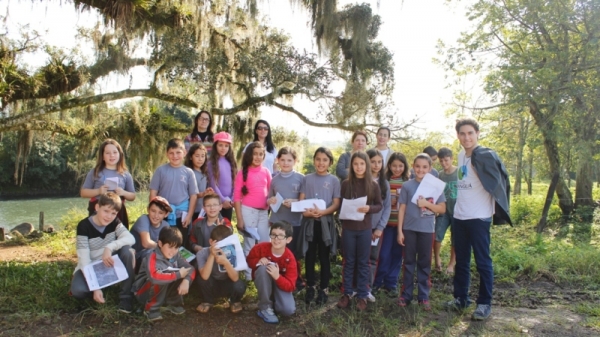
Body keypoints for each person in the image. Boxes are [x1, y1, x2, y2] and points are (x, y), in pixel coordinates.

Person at [445, 118, 512, 321]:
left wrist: (499, 209)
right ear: (458, 136)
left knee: (483, 262)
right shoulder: (459, 155)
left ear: (477, 134)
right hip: (460, 217)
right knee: (462, 261)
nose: (467, 137)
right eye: (463, 133)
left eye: (470, 133)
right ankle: (461, 299)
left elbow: (501, 179)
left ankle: (484, 303)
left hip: (479, 218)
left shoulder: (484, 155)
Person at [69, 192, 136, 313]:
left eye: (113, 213)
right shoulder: (84, 226)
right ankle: (100, 287)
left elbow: (131, 238)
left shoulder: (115, 222)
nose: (109, 216)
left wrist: (109, 247)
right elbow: (84, 260)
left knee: (128, 251)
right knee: (78, 291)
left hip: (108, 263)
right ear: (97, 207)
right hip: (91, 266)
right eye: (106, 211)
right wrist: (96, 288)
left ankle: (125, 297)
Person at [396, 154, 446, 311]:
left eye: (425, 167)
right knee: (409, 262)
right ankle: (406, 294)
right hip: (409, 229)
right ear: (413, 166)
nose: (421, 170)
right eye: (417, 166)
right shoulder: (407, 186)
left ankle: (423, 296)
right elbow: (402, 208)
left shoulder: (435, 186)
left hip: (426, 230)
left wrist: (426, 204)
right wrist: (399, 231)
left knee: (424, 263)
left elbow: (442, 209)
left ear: (430, 169)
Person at [337, 152, 382, 311]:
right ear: (351, 166)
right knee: (348, 262)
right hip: (349, 229)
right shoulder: (346, 183)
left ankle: (362, 294)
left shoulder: (373, 185)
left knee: (364, 262)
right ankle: (347, 293)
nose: (359, 167)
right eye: (355, 164)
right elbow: (340, 204)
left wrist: (369, 208)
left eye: (362, 164)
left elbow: (379, 205)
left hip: (364, 229)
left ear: (367, 166)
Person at [300, 147, 341, 305]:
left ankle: (324, 288)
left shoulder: (334, 180)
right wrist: (308, 213)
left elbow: (336, 203)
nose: (321, 162)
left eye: (325, 160)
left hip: (326, 225)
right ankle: (310, 286)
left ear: (330, 162)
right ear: (314, 160)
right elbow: (301, 201)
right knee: (310, 256)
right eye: (318, 159)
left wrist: (323, 212)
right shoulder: (307, 179)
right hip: (310, 223)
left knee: (324, 257)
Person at [132, 227, 195, 321]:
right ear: (160, 244)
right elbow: (154, 277)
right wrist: (177, 275)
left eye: (176, 248)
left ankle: (172, 303)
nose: (173, 251)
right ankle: (151, 308)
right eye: (170, 247)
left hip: (162, 290)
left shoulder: (176, 255)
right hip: (143, 292)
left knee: (184, 273)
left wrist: (186, 280)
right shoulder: (152, 256)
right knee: (162, 277)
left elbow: (191, 269)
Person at [149, 138, 198, 249]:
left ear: (184, 153)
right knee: (164, 241)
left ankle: (180, 264)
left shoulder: (189, 172)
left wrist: (189, 216)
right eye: (171, 153)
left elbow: (193, 196)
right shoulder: (160, 170)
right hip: (163, 213)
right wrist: (154, 213)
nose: (175, 156)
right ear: (167, 154)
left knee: (180, 243)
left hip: (182, 215)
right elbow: (153, 192)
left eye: (178, 152)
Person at [267, 147, 305, 290]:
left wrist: (295, 202)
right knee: (278, 251)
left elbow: (304, 200)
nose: (285, 163)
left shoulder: (301, 178)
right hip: (277, 221)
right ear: (278, 161)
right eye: (282, 160)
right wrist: (270, 201)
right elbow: (269, 198)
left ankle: (296, 280)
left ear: (295, 161)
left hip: (295, 222)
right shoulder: (274, 180)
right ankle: (278, 278)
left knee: (293, 253)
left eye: (289, 160)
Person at [234, 141, 272, 279]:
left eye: (260, 154)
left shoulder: (266, 172)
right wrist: (239, 218)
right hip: (248, 211)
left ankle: (264, 275)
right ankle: (249, 276)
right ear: (249, 155)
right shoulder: (242, 173)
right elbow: (237, 197)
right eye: (255, 154)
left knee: (265, 242)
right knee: (249, 244)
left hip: (263, 212)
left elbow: (270, 192)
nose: (257, 157)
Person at [246, 221, 298, 324]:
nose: (276, 239)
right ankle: (265, 307)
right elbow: (249, 260)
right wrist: (258, 261)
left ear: (288, 239)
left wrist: (277, 277)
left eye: (281, 236)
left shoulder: (290, 258)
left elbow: (291, 286)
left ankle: (274, 301)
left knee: (288, 310)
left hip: (280, 283)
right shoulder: (260, 248)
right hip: (264, 280)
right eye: (273, 235)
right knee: (262, 268)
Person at [373, 152, 409, 296]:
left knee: (397, 255)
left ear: (405, 166)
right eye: (394, 165)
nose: (397, 168)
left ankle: (391, 283)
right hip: (386, 225)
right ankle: (377, 281)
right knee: (384, 254)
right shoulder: (384, 181)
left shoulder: (407, 182)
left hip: (402, 226)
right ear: (389, 166)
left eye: (400, 166)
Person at [80, 139, 136, 229]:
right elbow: (83, 193)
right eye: (107, 153)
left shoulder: (125, 174)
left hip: (118, 211)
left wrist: (123, 193)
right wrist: (99, 191)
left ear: (120, 154)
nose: (112, 155)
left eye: (115, 152)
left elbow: (132, 196)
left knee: (119, 238)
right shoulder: (95, 172)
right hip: (98, 210)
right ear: (102, 156)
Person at [196, 224, 246, 314]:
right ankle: (208, 301)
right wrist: (212, 255)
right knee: (201, 280)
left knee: (239, 285)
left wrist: (226, 263)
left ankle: (235, 301)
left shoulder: (234, 251)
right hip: (212, 283)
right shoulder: (202, 253)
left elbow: (235, 278)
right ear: (211, 242)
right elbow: (204, 276)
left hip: (228, 283)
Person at [366, 149, 391, 302]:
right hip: (360, 227)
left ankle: (368, 288)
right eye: (373, 161)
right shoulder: (361, 181)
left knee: (372, 259)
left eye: (379, 162)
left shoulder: (384, 183)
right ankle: (356, 288)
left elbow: (387, 207)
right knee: (359, 258)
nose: (376, 165)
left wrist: (380, 227)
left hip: (376, 229)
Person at [433, 147, 457, 273]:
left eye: (446, 160)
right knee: (437, 235)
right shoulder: (440, 175)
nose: (444, 163)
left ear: (452, 159)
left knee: (455, 239)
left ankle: (451, 264)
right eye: (441, 161)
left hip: (458, 212)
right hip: (444, 211)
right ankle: (437, 261)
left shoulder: (459, 172)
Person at [131, 196, 172, 267]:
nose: (156, 216)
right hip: (137, 255)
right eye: (153, 211)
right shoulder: (143, 219)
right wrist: (163, 248)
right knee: (153, 254)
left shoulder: (166, 225)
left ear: (166, 214)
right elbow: (146, 243)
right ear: (148, 209)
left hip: (154, 254)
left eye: (160, 213)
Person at [207, 131, 237, 221]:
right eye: (220, 145)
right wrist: (222, 200)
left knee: (226, 228)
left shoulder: (231, 162)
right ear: (215, 146)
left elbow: (234, 183)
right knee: (216, 227)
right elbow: (213, 184)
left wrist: (231, 199)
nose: (223, 148)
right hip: (216, 202)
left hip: (229, 203)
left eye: (226, 146)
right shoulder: (211, 162)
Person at [185, 143, 214, 221]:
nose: (200, 159)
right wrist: (203, 193)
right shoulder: (189, 173)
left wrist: (208, 192)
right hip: (191, 210)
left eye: (203, 156)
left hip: (202, 210)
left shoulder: (204, 172)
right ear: (191, 157)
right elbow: (190, 193)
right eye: (197, 156)